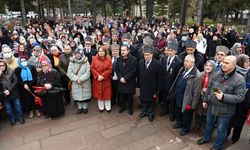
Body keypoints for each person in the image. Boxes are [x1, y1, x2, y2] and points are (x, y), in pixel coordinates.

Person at [197, 56, 246, 150]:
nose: (224, 64)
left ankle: (218, 146)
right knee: (209, 124)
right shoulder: (217, 73)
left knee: (221, 129)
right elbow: (210, 87)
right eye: (223, 62)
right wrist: (205, 100)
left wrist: (224, 97)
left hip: (225, 111)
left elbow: (240, 97)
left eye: (227, 63)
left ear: (234, 65)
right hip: (212, 107)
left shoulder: (239, 80)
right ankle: (206, 138)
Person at [172, 54, 201, 136]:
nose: (185, 63)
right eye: (185, 61)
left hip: (188, 99)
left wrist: (193, 105)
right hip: (179, 95)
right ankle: (179, 123)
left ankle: (185, 128)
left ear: (193, 63)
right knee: (178, 110)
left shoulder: (197, 75)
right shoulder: (182, 69)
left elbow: (196, 92)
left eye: (188, 61)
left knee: (186, 116)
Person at [227, 54, 250, 144]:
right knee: (229, 120)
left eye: (249, 61)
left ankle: (235, 139)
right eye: (246, 61)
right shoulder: (234, 71)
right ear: (241, 62)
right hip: (233, 101)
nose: (248, 63)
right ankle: (226, 135)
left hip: (244, 103)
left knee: (239, 123)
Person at [159, 41, 182, 121]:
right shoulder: (164, 59)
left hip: (173, 85)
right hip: (164, 84)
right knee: (164, 98)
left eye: (171, 50)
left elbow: (178, 76)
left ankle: (172, 113)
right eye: (168, 50)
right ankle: (165, 109)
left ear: (175, 51)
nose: (169, 52)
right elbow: (162, 72)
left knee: (172, 100)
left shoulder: (178, 62)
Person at [138, 46, 162, 122]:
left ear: (152, 55)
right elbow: (139, 74)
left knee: (151, 102)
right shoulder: (141, 62)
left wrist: (157, 90)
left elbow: (159, 78)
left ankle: (151, 113)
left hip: (152, 87)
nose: (146, 56)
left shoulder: (157, 64)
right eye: (145, 55)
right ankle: (145, 111)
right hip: (143, 86)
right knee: (143, 100)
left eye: (148, 54)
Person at [193, 60, 216, 135]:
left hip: (208, 99)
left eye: (210, 66)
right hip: (200, 97)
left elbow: (216, 89)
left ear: (213, 68)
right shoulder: (201, 74)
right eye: (207, 65)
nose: (208, 67)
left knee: (205, 115)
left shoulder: (215, 77)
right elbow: (196, 85)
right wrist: (200, 91)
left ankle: (203, 129)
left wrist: (208, 92)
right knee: (198, 112)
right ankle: (197, 125)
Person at [0, 60, 25, 125]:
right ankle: (12, 120)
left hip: (13, 91)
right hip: (4, 94)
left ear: (5, 65)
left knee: (18, 106)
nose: (1, 67)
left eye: (3, 65)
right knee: (8, 109)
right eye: (0, 66)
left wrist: (9, 90)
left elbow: (15, 81)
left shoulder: (10, 71)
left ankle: (20, 118)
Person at [67, 48, 92, 114]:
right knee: (77, 96)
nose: (78, 55)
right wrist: (76, 79)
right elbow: (69, 72)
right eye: (76, 53)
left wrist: (81, 79)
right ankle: (80, 108)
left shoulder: (86, 62)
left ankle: (85, 108)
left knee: (85, 96)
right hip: (76, 82)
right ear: (74, 54)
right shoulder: (71, 62)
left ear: (82, 54)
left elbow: (88, 72)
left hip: (85, 82)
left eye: (79, 53)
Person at [116, 45, 137, 115]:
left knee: (130, 96)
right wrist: (120, 78)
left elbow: (133, 71)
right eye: (121, 50)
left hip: (129, 81)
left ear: (128, 51)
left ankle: (130, 109)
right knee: (122, 95)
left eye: (124, 50)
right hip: (121, 80)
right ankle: (123, 107)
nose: (122, 52)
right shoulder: (118, 59)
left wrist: (125, 78)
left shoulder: (134, 59)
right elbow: (117, 70)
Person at [91, 46, 112, 112]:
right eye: (99, 51)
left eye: (102, 51)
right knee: (99, 93)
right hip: (97, 80)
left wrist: (102, 76)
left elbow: (110, 69)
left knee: (107, 93)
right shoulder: (94, 59)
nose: (101, 52)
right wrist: (98, 76)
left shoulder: (109, 59)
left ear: (105, 52)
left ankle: (108, 107)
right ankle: (101, 107)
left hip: (106, 80)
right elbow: (92, 68)